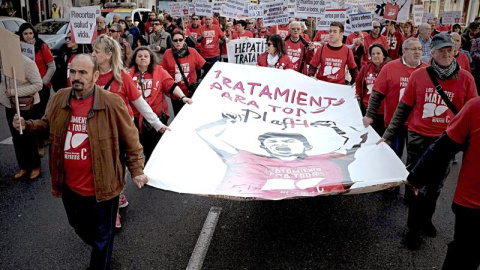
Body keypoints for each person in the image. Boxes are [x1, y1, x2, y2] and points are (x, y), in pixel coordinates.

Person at [12, 54, 148, 270]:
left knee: (103, 237)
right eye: (73, 72)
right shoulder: (60, 98)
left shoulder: (112, 102)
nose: (76, 77)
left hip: (104, 187)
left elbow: (131, 140)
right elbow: (46, 125)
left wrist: (137, 169)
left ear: (95, 75)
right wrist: (26, 125)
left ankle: (101, 258)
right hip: (69, 186)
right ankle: (103, 250)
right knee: (78, 226)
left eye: (83, 72)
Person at [380, 33, 477, 249]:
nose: (446, 54)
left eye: (449, 50)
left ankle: (427, 219)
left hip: (447, 141)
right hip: (419, 139)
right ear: (431, 52)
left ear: (455, 52)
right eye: (441, 50)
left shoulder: (466, 79)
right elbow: (403, 108)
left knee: (436, 187)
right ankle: (413, 229)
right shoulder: (419, 76)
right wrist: (388, 135)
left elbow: (472, 114)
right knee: (417, 186)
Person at [196, 113, 367, 199]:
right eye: (273, 142)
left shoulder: (328, 158)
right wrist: (224, 121)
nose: (281, 145)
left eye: (289, 141)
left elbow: (358, 137)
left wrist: (334, 126)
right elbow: (206, 134)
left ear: (307, 146)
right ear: (263, 146)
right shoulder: (246, 158)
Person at [406, 96, 480, 270]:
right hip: (472, 203)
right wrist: (416, 177)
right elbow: (443, 149)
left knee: (464, 256)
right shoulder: (476, 107)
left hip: (472, 204)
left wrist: (416, 178)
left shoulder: (475, 106)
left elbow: (443, 149)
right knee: (465, 255)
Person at [363, 38, 428, 158]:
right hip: (395, 123)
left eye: (419, 49)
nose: (417, 52)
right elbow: (377, 93)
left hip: (418, 125)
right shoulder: (390, 68)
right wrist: (370, 115)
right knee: (392, 158)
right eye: (414, 49)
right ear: (404, 51)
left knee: (415, 161)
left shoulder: (427, 70)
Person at [127, 47, 181, 162]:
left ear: (151, 58)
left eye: (146, 56)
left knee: (154, 150)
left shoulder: (159, 71)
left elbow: (171, 85)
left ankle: (150, 173)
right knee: (140, 147)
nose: (143, 58)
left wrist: (183, 97)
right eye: (140, 56)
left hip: (156, 117)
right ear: (134, 59)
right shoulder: (127, 75)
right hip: (136, 119)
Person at [1, 55, 43, 180]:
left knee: (28, 136)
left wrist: (14, 92)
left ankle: (35, 166)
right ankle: (23, 166)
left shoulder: (27, 63)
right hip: (10, 105)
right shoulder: (3, 62)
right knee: (16, 138)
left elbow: (38, 85)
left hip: (26, 106)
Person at [161, 30, 205, 115]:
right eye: (175, 40)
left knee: (192, 117)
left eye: (180, 40)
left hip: (191, 92)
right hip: (176, 94)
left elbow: (205, 66)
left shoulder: (192, 51)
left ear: (184, 39)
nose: (178, 42)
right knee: (179, 116)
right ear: (172, 41)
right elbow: (163, 73)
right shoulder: (167, 53)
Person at [17, 23, 56, 119]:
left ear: (34, 34)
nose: (29, 36)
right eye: (25, 33)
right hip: (26, 86)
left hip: (41, 86)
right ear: (21, 35)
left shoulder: (42, 46)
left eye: (31, 33)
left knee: (40, 115)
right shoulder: (18, 47)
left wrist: (43, 83)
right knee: (28, 115)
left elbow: (52, 67)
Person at [355, 44, 389, 136]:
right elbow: (358, 81)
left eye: (378, 53)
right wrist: (358, 93)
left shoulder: (389, 68)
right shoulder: (366, 68)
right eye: (373, 54)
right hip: (367, 108)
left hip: (383, 111)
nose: (375, 56)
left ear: (384, 55)